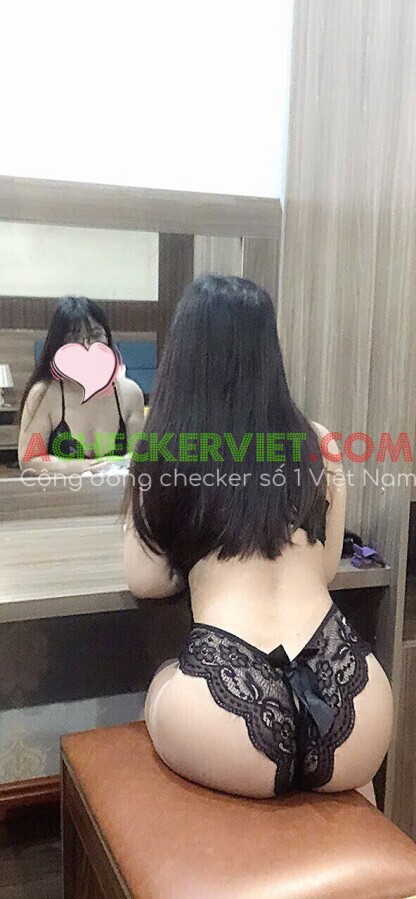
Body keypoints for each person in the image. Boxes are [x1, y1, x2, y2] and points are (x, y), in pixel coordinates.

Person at [123, 275, 393, 799]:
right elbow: (326, 570)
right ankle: (358, 844)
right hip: (348, 687)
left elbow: (146, 581)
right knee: (354, 789)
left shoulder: (166, 449)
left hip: (228, 705)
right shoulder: (319, 443)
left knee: (161, 683)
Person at [18, 296, 144, 475]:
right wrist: (83, 467)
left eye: (96, 336)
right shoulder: (44, 394)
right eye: (73, 339)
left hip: (115, 491)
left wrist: (114, 463)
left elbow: (140, 458)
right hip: (60, 492)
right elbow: (29, 460)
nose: (87, 347)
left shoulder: (130, 393)